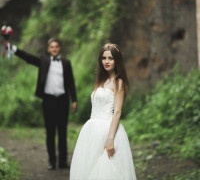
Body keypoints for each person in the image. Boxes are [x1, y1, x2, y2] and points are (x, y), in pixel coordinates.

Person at [70, 43, 137, 180]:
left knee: (106, 169)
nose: (106, 61)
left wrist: (110, 139)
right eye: (104, 58)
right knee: (89, 168)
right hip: (91, 129)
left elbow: (117, 112)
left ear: (117, 60)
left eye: (111, 58)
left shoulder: (118, 82)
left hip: (107, 129)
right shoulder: (103, 80)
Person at [12, 38, 77, 170]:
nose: (54, 49)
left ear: (60, 49)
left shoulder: (66, 63)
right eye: (52, 47)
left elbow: (71, 83)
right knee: (50, 132)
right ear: (48, 49)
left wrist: (74, 100)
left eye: (56, 47)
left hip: (63, 101)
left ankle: (63, 162)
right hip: (48, 101)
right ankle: (52, 162)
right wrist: (14, 49)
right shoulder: (43, 61)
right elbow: (28, 58)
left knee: (63, 132)